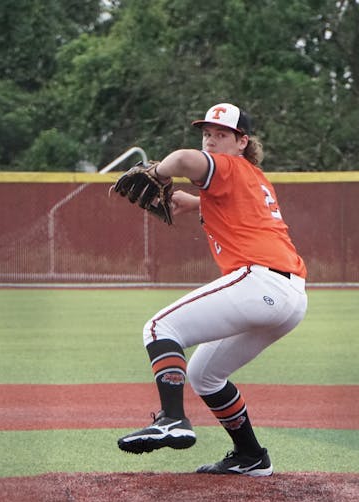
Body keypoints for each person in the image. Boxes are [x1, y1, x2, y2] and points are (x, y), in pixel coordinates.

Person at [117, 103, 308, 477]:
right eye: (207, 133)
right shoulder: (253, 179)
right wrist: (194, 204)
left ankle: (171, 419)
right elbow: (232, 208)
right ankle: (251, 456)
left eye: (221, 135)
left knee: (160, 329)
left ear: (242, 142)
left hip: (259, 282)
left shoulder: (227, 165)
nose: (210, 140)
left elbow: (187, 161)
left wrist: (156, 171)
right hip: (291, 298)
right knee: (204, 374)